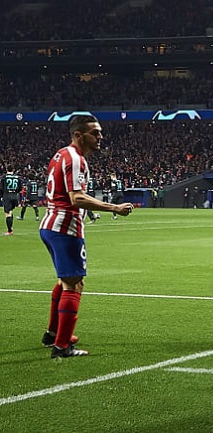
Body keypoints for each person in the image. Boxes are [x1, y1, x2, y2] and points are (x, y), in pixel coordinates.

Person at [39, 114, 134, 358]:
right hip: (65, 227)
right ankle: (62, 346)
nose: (100, 137)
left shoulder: (61, 154)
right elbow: (77, 197)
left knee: (64, 281)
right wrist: (114, 208)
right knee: (75, 283)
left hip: (50, 225)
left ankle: (53, 334)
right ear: (78, 135)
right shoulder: (75, 158)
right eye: (95, 133)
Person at [2, 167, 23, 235]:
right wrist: (15, 192)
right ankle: (10, 228)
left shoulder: (4, 177)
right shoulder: (18, 177)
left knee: (8, 214)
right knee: (10, 212)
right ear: (13, 170)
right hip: (14, 196)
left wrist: (2, 196)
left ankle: (9, 231)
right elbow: (20, 188)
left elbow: (1, 188)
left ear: (6, 169)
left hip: (7, 196)